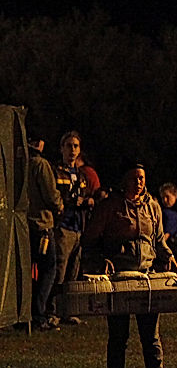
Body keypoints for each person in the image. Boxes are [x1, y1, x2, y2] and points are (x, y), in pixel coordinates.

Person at [84, 161, 176, 368]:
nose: (139, 182)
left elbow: (158, 240)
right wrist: (101, 260)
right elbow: (89, 241)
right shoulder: (109, 207)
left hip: (146, 278)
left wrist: (167, 255)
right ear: (125, 180)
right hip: (119, 280)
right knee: (118, 337)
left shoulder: (152, 206)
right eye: (135, 178)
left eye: (142, 178)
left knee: (151, 337)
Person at [52, 130, 101, 326]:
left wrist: (89, 201)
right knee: (59, 271)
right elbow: (56, 197)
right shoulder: (57, 172)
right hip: (64, 226)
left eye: (76, 146)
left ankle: (68, 311)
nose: (72, 150)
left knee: (73, 273)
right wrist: (74, 201)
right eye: (69, 146)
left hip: (78, 227)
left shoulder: (81, 175)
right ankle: (53, 311)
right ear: (61, 149)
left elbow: (87, 196)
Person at [26, 139, 64, 331]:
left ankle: (25, 313)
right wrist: (59, 205)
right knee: (48, 268)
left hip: (25, 224)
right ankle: (39, 314)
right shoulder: (40, 164)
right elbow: (50, 194)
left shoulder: (20, 163)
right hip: (41, 224)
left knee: (29, 270)